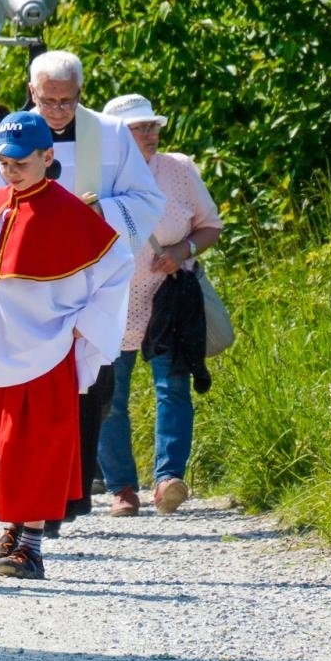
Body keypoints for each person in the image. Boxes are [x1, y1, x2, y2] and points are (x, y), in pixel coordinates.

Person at [0, 112, 134, 580]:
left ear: (47, 157)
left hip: (46, 348)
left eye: (21, 161)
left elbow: (117, 269)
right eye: (3, 162)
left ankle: (33, 543)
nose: (11, 170)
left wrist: (86, 323)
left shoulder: (71, 213)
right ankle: (12, 529)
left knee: (38, 449)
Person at [0, 50, 165, 530]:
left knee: (90, 391)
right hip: (22, 293)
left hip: (86, 280)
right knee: (24, 400)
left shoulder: (112, 135)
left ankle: (66, 497)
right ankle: (30, 508)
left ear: (80, 93)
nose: (57, 110)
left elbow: (146, 201)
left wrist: (90, 215)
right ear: (31, 91)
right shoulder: (8, 135)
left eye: (67, 100)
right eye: (48, 100)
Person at [95, 94, 223, 517]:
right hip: (112, 301)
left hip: (170, 300)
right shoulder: (95, 179)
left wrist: (183, 249)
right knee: (110, 397)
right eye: (139, 127)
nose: (150, 133)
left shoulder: (179, 170)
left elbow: (211, 226)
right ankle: (122, 488)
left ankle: (169, 478)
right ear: (115, 135)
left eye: (152, 126)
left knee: (173, 389)